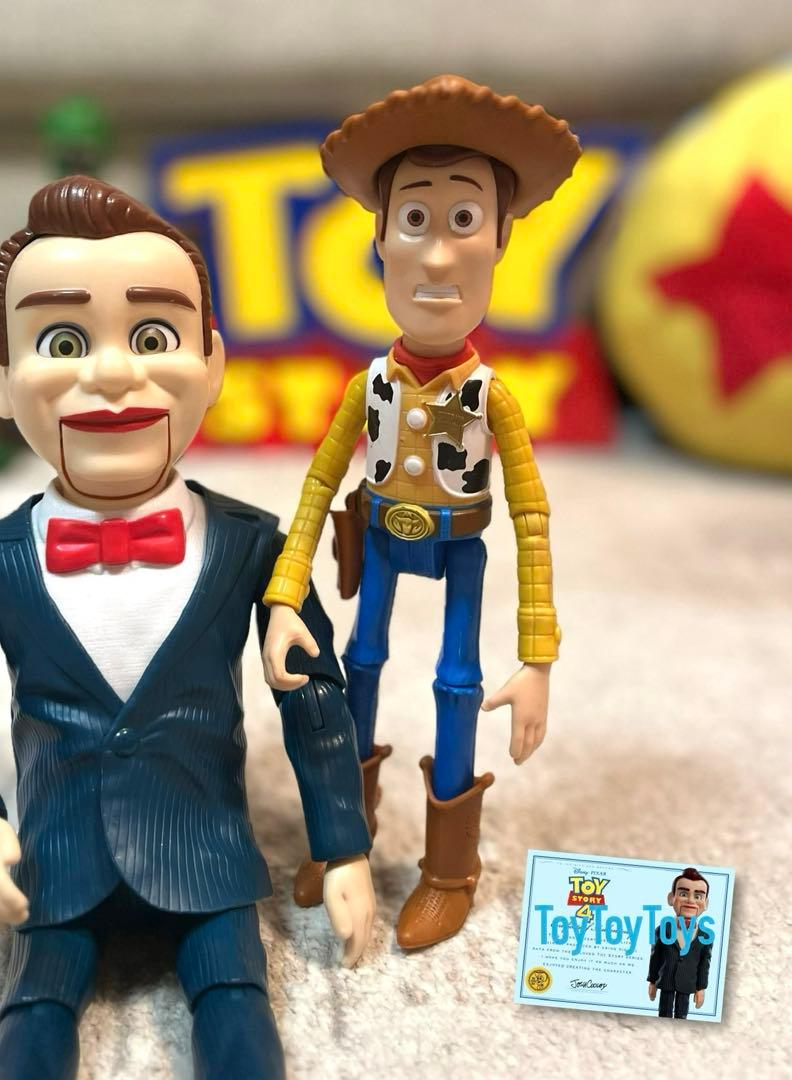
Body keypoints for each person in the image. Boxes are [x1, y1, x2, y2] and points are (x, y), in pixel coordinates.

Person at [0, 175, 375, 1079]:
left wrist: (342, 845)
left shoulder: (255, 548)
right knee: (29, 1026)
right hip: (54, 865)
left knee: (239, 1018)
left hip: (207, 854)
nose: (114, 374)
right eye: (63, 342)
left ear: (213, 365)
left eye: (154, 337)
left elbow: (313, 698)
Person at [261, 74, 579, 949]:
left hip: (460, 546)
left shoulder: (491, 396)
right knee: (357, 666)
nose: (437, 257)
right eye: (414, 219)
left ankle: (448, 873)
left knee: (455, 684)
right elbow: (319, 484)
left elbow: (531, 516)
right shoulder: (367, 385)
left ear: (501, 240)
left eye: (464, 220)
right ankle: (344, 837)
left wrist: (538, 656)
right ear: (379, 239)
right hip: (382, 539)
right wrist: (287, 592)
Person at [647, 867, 713, 1019]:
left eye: (698, 896)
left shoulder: (706, 935)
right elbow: (655, 956)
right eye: (683, 894)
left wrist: (701, 988)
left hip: (687, 983)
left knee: (682, 1016)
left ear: (705, 903)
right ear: (671, 898)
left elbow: (705, 964)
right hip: (666, 981)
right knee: (664, 1014)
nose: (690, 901)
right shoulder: (663, 929)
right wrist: (652, 981)